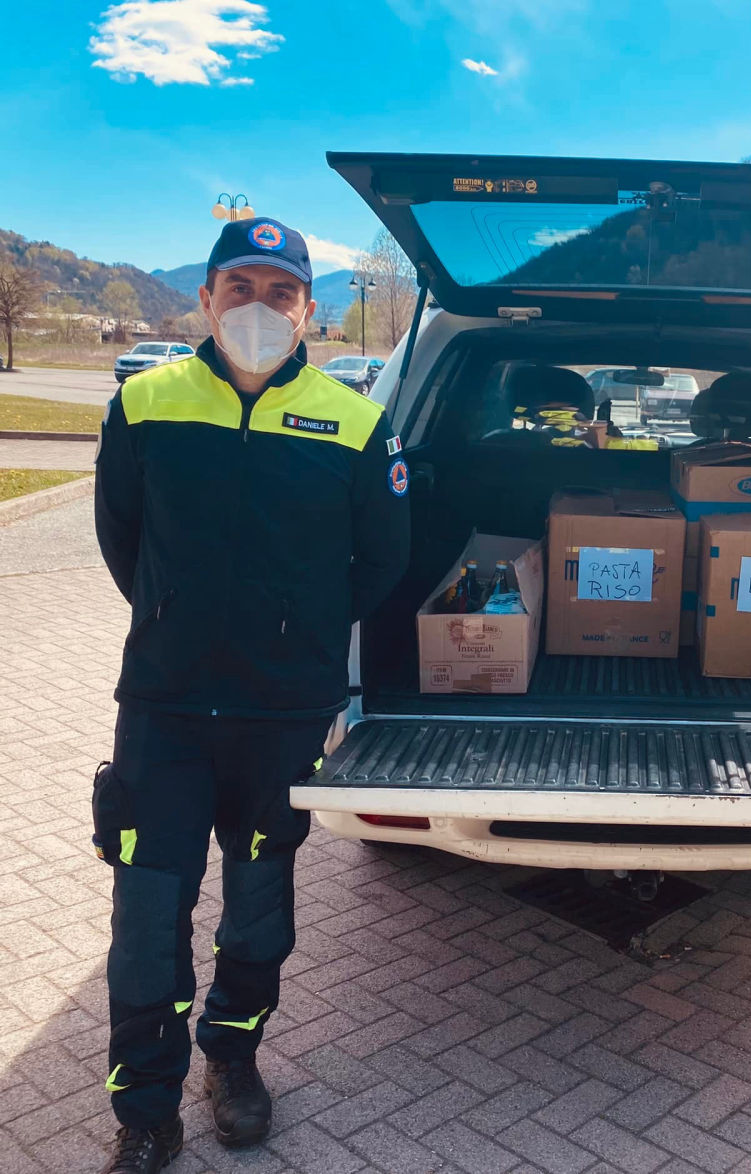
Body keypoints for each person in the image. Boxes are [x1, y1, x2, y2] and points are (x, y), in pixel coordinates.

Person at [92, 216, 411, 1173]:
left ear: (311, 308)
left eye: (283, 293)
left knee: (260, 901)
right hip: (166, 709)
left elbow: (382, 559)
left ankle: (232, 1059)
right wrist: (176, 619)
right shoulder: (145, 404)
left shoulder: (353, 420)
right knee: (150, 913)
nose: (262, 307)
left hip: (280, 713)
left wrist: (296, 641)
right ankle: (145, 1108)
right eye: (243, 287)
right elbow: (123, 541)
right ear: (207, 297)